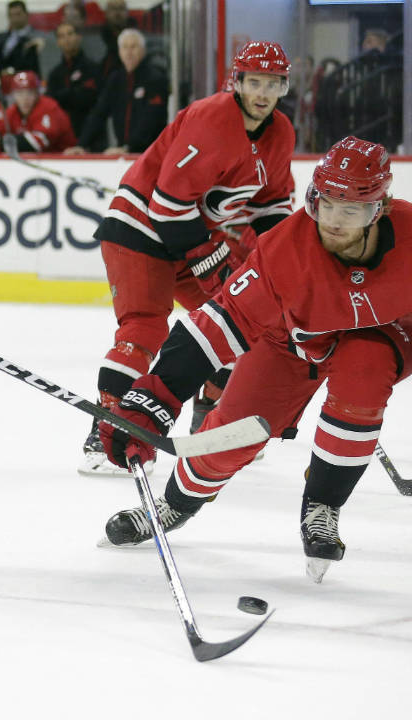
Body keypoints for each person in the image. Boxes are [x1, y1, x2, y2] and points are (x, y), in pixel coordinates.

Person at [97, 137, 406, 584]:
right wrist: (155, 396)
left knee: (365, 371)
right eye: (325, 204)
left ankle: (322, 506)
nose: (333, 222)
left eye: (351, 210)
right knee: (230, 437)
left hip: (383, 335)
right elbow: (221, 322)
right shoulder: (284, 249)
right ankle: (174, 504)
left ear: (379, 209)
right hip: (291, 342)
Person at [77, 41, 296, 476]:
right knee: (144, 328)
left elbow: (272, 208)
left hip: (191, 236)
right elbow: (168, 206)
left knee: (242, 321)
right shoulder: (211, 117)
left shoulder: (281, 133)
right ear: (237, 82)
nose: (263, 92)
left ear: (283, 87)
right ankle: (106, 432)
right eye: (255, 81)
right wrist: (210, 259)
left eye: (273, 83)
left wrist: (285, 266)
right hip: (140, 229)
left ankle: (209, 422)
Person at [66, 29, 167, 154]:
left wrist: (129, 148)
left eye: (133, 47)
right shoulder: (116, 79)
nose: (129, 52)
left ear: (143, 50)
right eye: (125, 47)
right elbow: (99, 113)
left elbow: (151, 120)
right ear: (119, 52)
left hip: (151, 153)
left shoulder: (155, 79)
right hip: (122, 152)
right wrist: (81, 144)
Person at [46, 21, 100, 138]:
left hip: (91, 134)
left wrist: (63, 95)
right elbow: (50, 103)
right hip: (62, 136)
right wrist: (72, 92)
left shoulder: (92, 68)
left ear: (78, 37)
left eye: (70, 34)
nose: (67, 39)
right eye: (62, 36)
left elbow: (88, 98)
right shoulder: (54, 74)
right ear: (58, 42)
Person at [4, 71, 76, 152]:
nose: (25, 98)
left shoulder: (49, 108)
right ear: (13, 95)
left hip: (65, 159)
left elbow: (39, 142)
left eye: (30, 92)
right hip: (36, 159)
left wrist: (4, 142)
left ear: (37, 94)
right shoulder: (11, 112)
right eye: (20, 93)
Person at [0, 0, 41, 76]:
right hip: (2, 76)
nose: (15, 18)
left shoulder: (38, 37)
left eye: (18, 14)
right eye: (11, 15)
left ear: (26, 14)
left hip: (27, 77)